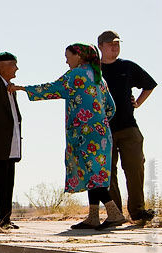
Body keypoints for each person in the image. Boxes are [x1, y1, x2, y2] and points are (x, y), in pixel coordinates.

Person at [9, 43, 124, 230]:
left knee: (92, 175)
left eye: (67, 56)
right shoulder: (99, 78)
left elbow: (53, 88)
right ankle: (93, 217)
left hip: (83, 135)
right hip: (101, 133)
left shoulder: (75, 75)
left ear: (78, 56)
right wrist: (99, 121)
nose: (66, 60)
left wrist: (23, 89)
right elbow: (111, 108)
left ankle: (114, 213)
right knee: (93, 173)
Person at [98, 30, 157, 224]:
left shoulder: (127, 66)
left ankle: (138, 213)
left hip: (128, 127)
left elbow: (149, 85)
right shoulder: (93, 71)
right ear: (101, 47)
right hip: (103, 130)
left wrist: (138, 103)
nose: (114, 47)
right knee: (107, 172)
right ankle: (115, 214)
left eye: (117, 44)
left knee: (134, 168)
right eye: (110, 44)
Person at [0, 52, 22, 229]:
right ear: (1, 66)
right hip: (1, 143)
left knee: (9, 181)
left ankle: (6, 218)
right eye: (13, 64)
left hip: (12, 143)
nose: (16, 68)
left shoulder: (10, 87)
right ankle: (0, 218)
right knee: (1, 182)